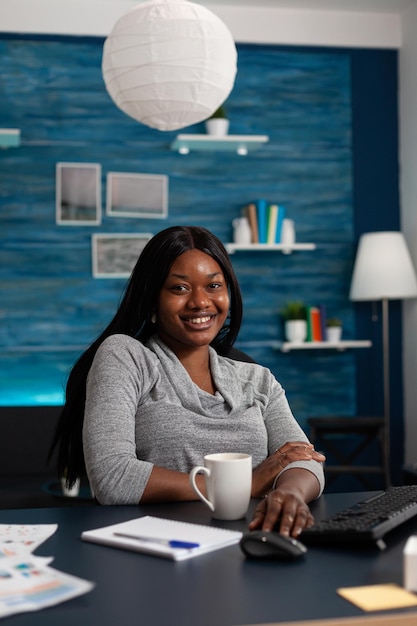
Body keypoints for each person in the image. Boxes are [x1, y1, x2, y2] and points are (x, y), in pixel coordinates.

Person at [50, 225, 325, 538]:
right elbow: (113, 478)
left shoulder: (257, 379)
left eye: (213, 286)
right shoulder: (125, 356)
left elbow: (305, 460)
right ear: (152, 302)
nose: (200, 302)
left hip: (251, 541)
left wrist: (288, 494)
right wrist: (245, 484)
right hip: (158, 551)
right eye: (179, 288)